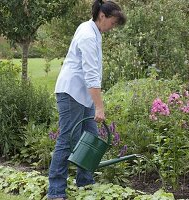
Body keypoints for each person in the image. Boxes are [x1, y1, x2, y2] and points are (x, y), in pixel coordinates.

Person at [47, 1, 126, 199]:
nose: (113, 27)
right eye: (113, 22)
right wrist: (99, 107)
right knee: (67, 139)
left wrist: (94, 103)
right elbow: (91, 76)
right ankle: (55, 191)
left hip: (83, 95)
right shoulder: (88, 36)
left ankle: (85, 182)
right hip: (71, 92)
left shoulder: (91, 30)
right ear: (102, 16)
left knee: (90, 138)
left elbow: (92, 74)